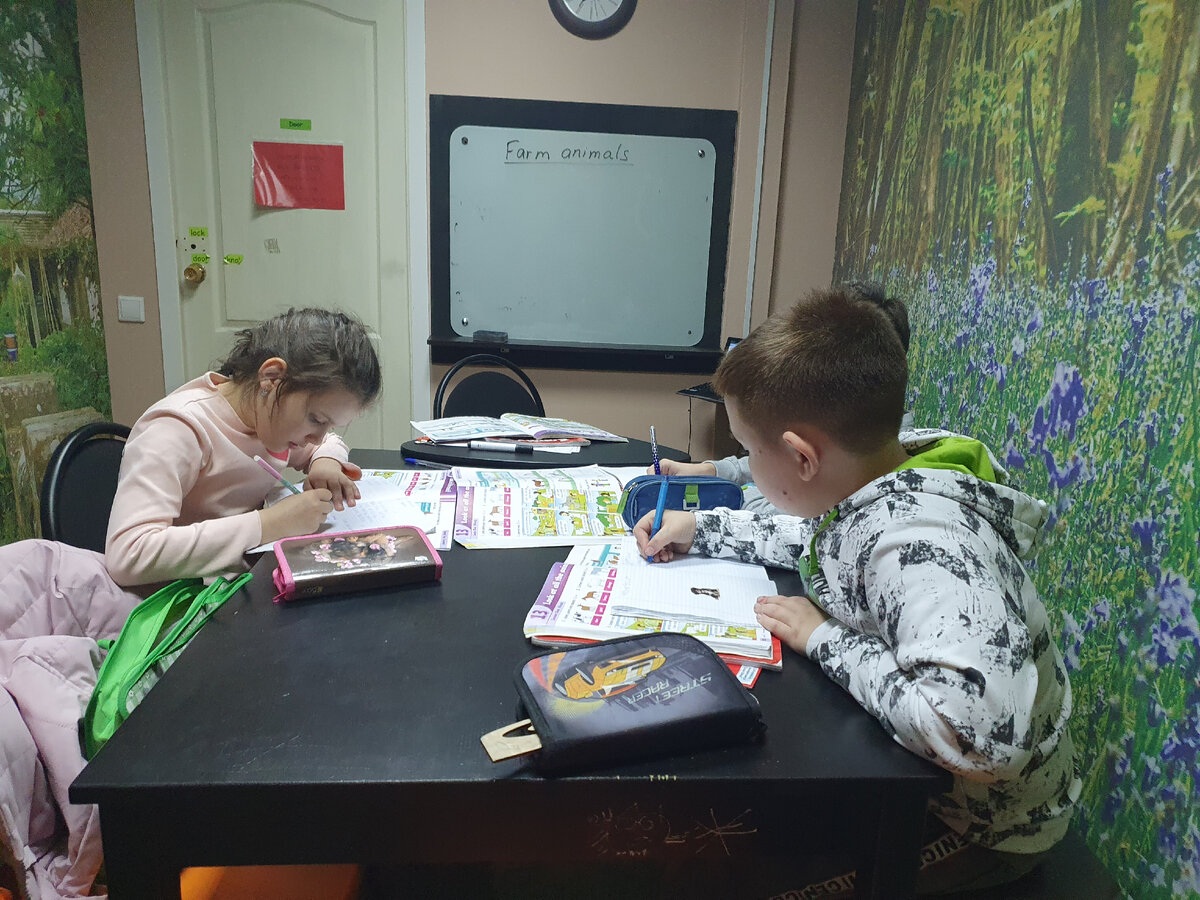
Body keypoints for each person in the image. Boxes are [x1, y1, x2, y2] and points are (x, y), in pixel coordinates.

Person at [634, 286, 1079, 895]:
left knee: (735, 878)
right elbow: (822, 541)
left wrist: (825, 639)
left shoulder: (925, 548)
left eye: (748, 450)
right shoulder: (879, 474)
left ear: (801, 458)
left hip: (982, 828)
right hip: (909, 774)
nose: (745, 463)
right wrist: (702, 528)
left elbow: (979, 743)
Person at [0, 307, 381, 900]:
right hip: (160, 612)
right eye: (313, 420)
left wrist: (326, 454)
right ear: (272, 378)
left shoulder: (270, 420)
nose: (310, 439)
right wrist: (266, 524)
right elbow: (128, 554)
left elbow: (319, 440)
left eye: (326, 425)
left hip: (229, 599)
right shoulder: (179, 430)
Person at [656, 281, 911, 515]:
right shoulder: (879, 460)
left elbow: (798, 521)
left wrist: (725, 497)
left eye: (749, 451)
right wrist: (710, 480)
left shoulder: (897, 538)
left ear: (803, 457)